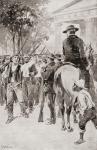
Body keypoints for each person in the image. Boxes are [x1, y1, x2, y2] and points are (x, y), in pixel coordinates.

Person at [62, 25, 90, 89]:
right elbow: (82, 54)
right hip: (77, 62)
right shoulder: (79, 40)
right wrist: (86, 64)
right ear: (74, 32)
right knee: (86, 72)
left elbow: (64, 53)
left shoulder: (64, 41)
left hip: (66, 62)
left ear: (68, 32)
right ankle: (86, 87)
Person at [3, 54, 28, 124]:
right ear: (12, 59)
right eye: (15, 57)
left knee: (21, 100)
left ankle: (23, 112)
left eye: (17, 58)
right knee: (9, 102)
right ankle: (10, 116)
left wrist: (20, 83)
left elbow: (24, 77)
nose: (16, 59)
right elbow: (4, 74)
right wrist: (5, 76)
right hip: (9, 85)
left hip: (18, 85)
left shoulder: (21, 67)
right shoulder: (8, 66)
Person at [73, 79, 97, 144]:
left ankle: (81, 139)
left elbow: (84, 106)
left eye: (75, 85)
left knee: (81, 123)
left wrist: (81, 113)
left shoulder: (80, 94)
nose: (74, 86)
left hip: (88, 111)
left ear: (78, 87)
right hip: (93, 110)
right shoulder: (85, 92)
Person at [38, 54, 56, 124]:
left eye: (47, 58)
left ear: (49, 59)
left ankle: (52, 119)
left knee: (49, 103)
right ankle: (52, 118)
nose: (46, 60)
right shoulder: (53, 65)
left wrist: (42, 71)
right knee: (50, 103)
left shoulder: (49, 67)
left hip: (49, 86)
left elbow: (45, 77)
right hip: (51, 86)